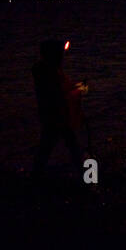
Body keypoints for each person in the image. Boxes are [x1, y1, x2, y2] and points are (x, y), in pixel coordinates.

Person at [31, 39, 89, 175]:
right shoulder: (51, 73)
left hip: (53, 116)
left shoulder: (47, 71)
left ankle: (36, 176)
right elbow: (59, 94)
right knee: (70, 146)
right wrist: (79, 90)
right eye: (59, 54)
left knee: (49, 147)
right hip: (57, 116)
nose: (62, 56)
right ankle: (85, 177)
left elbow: (62, 90)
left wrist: (76, 87)